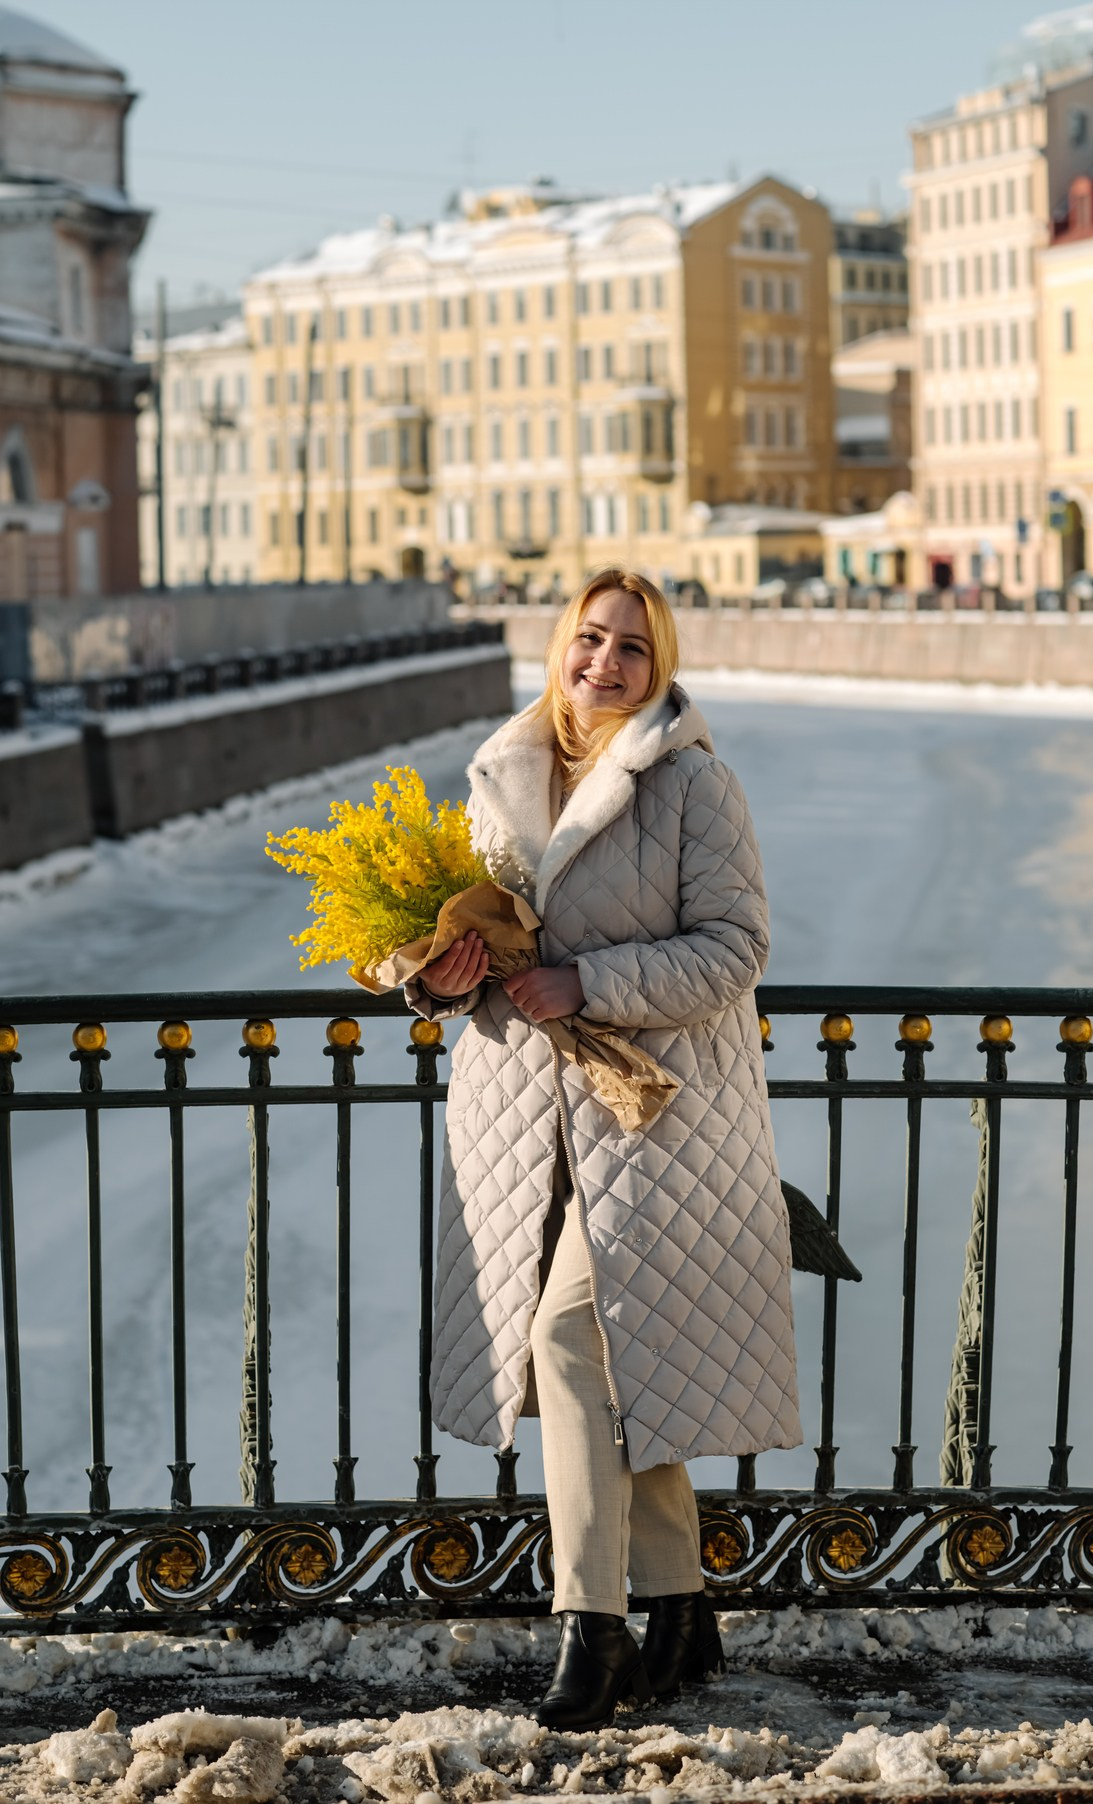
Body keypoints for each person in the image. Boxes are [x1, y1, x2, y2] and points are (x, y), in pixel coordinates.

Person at [407, 567, 802, 1729]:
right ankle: (683, 1608)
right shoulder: (500, 774)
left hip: (657, 1117)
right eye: (589, 639)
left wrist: (591, 981)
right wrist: (435, 979)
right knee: (640, 1359)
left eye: (633, 646)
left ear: (660, 664)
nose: (605, 663)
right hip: (527, 1119)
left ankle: (594, 1626)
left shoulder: (693, 786)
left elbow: (735, 948)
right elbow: (452, 943)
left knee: (571, 1339)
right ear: (558, 648)